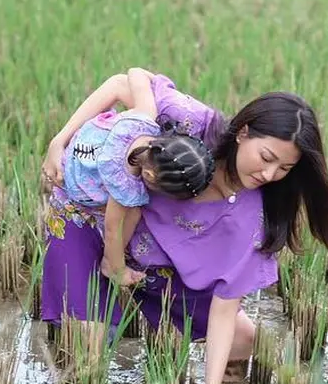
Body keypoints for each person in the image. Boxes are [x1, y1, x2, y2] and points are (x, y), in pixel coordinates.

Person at [40, 69, 328, 384]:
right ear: (244, 133)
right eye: (267, 158)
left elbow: (224, 309)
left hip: (151, 264)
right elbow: (123, 83)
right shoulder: (192, 123)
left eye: (284, 169)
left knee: (244, 340)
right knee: (87, 350)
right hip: (89, 219)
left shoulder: (257, 216)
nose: (269, 175)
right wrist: (59, 141)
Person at [57, 68, 216, 286]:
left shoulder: (146, 117)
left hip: (88, 139)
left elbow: (135, 73)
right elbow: (112, 231)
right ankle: (109, 266)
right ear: (149, 175)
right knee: (133, 212)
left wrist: (160, 83)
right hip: (77, 177)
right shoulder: (125, 187)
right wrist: (118, 267)